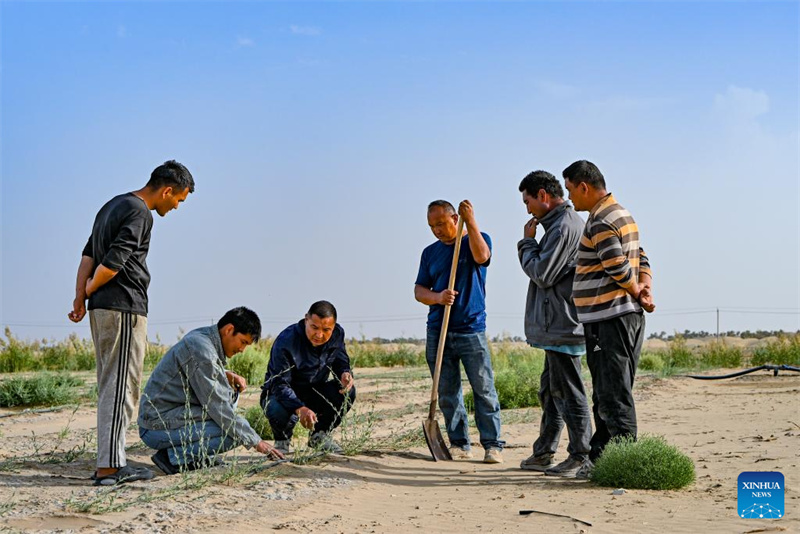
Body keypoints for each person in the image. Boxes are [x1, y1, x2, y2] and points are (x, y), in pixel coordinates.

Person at [68, 160, 194, 486]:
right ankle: (111, 467)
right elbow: (113, 261)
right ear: (167, 190)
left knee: (111, 382)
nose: (176, 206)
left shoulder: (111, 206)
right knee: (121, 386)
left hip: (101, 309)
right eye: (178, 199)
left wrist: (80, 297)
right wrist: (92, 288)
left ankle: (110, 462)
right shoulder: (140, 212)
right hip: (123, 308)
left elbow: (87, 256)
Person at [561, 160, 655, 479]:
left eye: (571, 190)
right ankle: (601, 459)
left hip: (609, 318)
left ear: (584, 187)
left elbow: (616, 265)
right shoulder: (623, 214)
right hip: (621, 316)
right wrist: (644, 290)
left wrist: (635, 289)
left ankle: (625, 464)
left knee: (612, 394)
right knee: (607, 392)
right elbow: (641, 258)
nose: (570, 198)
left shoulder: (601, 219)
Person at [138, 307, 284, 475]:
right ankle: (174, 457)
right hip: (156, 427)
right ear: (229, 330)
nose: (242, 349)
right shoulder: (202, 349)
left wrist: (225, 374)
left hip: (169, 418)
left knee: (235, 424)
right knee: (236, 432)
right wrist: (257, 442)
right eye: (243, 342)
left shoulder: (203, 338)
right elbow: (219, 407)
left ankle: (189, 456)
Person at [414, 200, 505, 464]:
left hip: (471, 328)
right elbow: (419, 291)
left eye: (441, 224)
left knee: (483, 388)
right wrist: (438, 296)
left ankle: (492, 445)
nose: (437, 230)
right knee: (447, 391)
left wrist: (472, 221)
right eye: (432, 226)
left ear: (455, 218)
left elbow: (482, 257)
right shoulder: (429, 253)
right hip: (438, 330)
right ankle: (459, 444)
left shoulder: (477, 239)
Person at [516, 170, 592, 478]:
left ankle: (581, 455)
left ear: (544, 196)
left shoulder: (563, 227)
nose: (528, 209)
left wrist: (526, 244)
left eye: (528, 201)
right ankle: (544, 452)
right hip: (557, 325)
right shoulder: (559, 225)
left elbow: (543, 274)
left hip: (564, 325)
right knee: (551, 391)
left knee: (569, 391)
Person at [260, 301, 356, 455]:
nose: (319, 335)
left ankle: (319, 436)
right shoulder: (286, 341)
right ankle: (282, 442)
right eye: (314, 327)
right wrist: (300, 408)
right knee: (275, 406)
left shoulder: (337, 334)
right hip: (282, 392)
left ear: (334, 327)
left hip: (314, 390)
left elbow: (340, 360)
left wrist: (345, 373)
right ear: (306, 319)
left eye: (326, 330)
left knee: (347, 392)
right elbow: (280, 384)